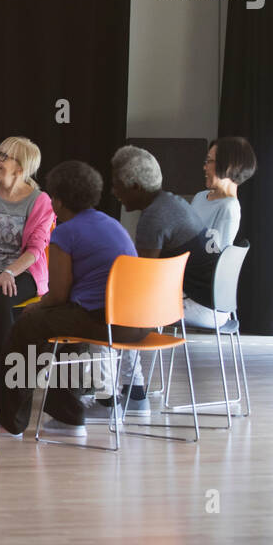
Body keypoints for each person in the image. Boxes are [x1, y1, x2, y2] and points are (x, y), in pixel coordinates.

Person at [0, 160, 143, 438]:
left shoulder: (65, 232)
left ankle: (8, 421)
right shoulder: (111, 224)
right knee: (68, 331)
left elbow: (58, 294)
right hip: (137, 321)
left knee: (27, 325)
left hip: (105, 320)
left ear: (58, 202)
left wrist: (35, 307)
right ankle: (69, 415)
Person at [107, 145, 221, 409]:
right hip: (218, 301)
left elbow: (141, 280)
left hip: (201, 304)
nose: (115, 193)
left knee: (119, 309)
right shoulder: (173, 202)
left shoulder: (154, 218)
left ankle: (131, 392)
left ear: (135, 186)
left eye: (117, 185)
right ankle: (128, 390)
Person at [0, 136, 54, 392]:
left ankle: (6, 374)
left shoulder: (40, 201)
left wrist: (8, 272)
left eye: (3, 156)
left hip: (24, 270)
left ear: (20, 168)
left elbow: (36, 249)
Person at [186, 136, 256, 329]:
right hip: (188, 289)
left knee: (136, 304)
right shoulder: (200, 198)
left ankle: (118, 359)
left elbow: (213, 261)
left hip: (204, 303)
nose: (204, 167)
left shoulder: (229, 207)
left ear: (228, 165)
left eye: (209, 161)